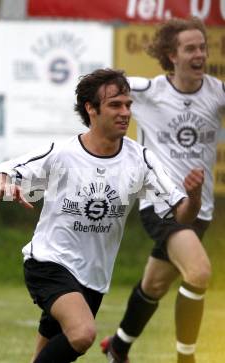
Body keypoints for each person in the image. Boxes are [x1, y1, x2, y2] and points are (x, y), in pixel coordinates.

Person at [0, 68, 204, 363]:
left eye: (128, 104)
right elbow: (0, 173)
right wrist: (3, 185)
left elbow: (182, 214)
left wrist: (193, 196)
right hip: (49, 262)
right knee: (83, 333)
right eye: (115, 105)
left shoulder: (140, 159)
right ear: (91, 109)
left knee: (49, 349)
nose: (125, 112)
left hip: (93, 277)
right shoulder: (63, 152)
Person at [100, 17, 225, 363]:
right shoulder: (146, 91)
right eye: (191, 48)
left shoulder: (216, 92)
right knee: (199, 272)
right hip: (159, 202)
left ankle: (118, 347)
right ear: (172, 55)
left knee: (154, 285)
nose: (200, 54)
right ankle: (187, 358)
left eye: (203, 47)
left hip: (199, 208)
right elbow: (99, 89)